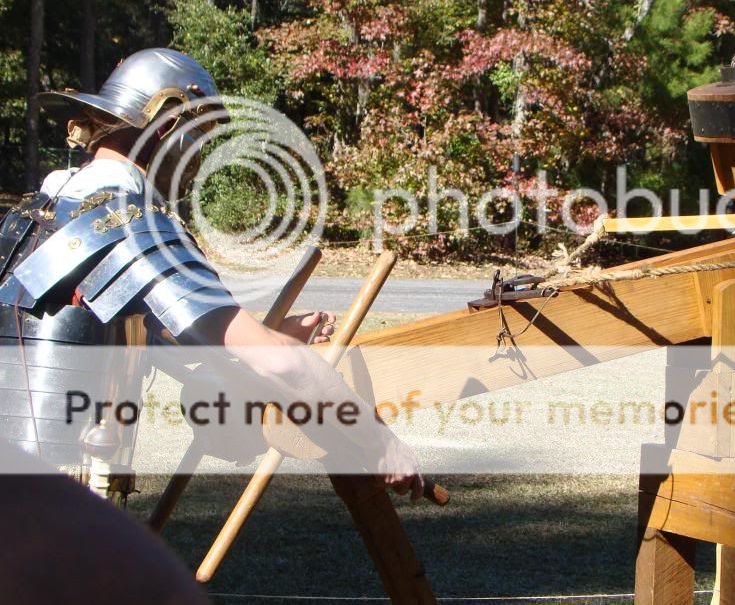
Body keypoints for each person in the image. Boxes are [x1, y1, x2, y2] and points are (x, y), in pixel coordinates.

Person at [0, 48, 423, 500]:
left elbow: (156, 341)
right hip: (47, 498)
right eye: (200, 136)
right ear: (167, 129)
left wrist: (267, 332)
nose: (201, 158)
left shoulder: (33, 214)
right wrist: (380, 444)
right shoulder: (135, 219)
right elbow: (279, 363)